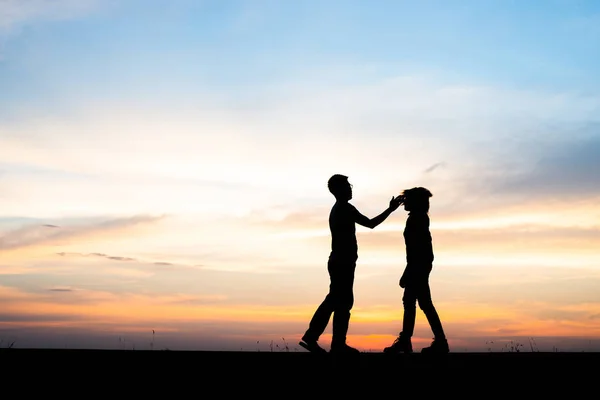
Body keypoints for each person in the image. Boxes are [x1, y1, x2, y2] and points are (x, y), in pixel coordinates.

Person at [299, 174, 402, 354]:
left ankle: (335, 343)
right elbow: (371, 224)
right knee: (336, 301)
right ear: (337, 190)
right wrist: (390, 209)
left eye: (350, 185)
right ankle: (315, 337)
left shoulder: (341, 208)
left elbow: (368, 224)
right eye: (347, 186)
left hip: (342, 261)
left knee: (342, 303)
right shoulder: (344, 208)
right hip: (342, 261)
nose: (350, 188)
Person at [383, 187, 449, 354]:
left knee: (413, 302)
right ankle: (436, 341)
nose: (404, 202)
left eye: (407, 199)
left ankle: (408, 341)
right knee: (422, 303)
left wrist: (408, 272)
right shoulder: (419, 218)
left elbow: (417, 249)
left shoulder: (417, 219)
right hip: (421, 264)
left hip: (418, 265)